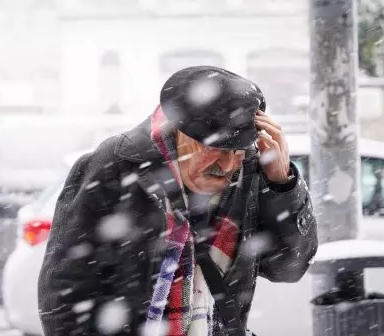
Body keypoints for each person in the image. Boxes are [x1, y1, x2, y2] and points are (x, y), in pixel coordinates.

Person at [38, 66, 318, 336]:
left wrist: (283, 184)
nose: (229, 164)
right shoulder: (114, 166)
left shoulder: (252, 170)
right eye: (217, 149)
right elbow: (65, 293)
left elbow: (288, 268)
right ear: (180, 131)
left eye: (238, 151)